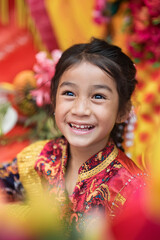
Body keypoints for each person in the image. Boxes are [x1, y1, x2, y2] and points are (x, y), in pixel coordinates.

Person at [0, 38, 147, 238]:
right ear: (53, 100)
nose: (80, 110)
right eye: (69, 93)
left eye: (98, 96)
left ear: (123, 111)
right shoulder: (40, 156)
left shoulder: (133, 191)